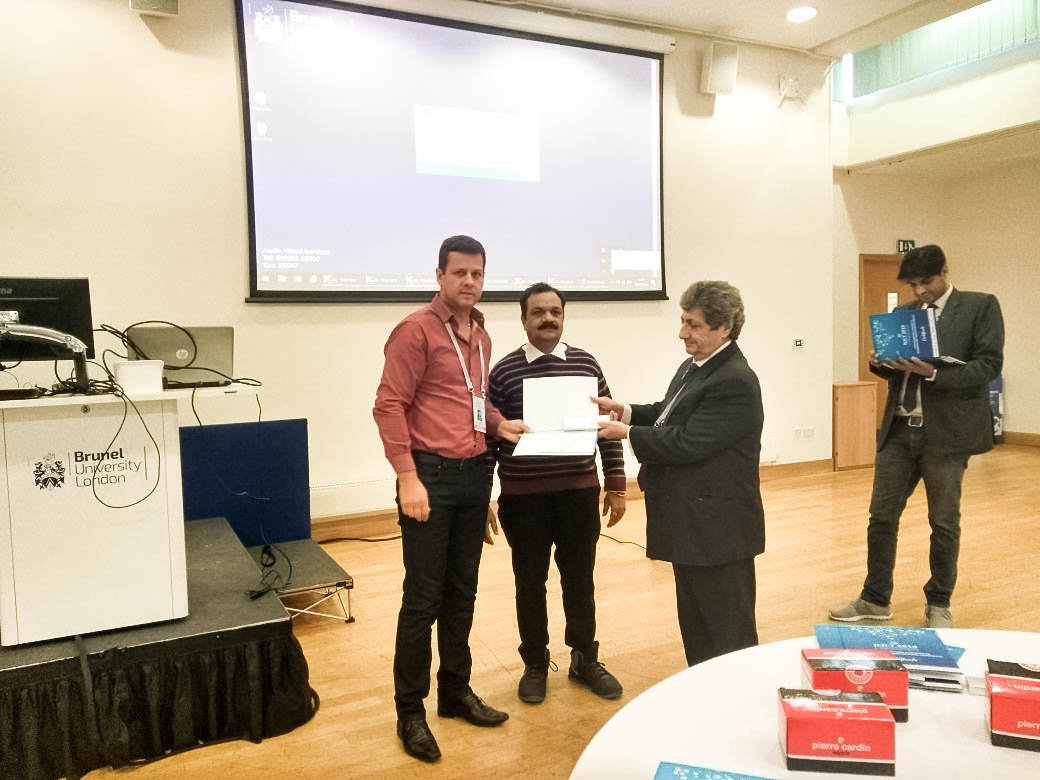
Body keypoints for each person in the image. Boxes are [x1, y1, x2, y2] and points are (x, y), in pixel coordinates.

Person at [373, 235, 527, 763]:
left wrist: (500, 425)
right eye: (459, 272)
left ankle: (455, 692)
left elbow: (474, 402)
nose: (469, 281)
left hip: (474, 475)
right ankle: (409, 712)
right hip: (430, 477)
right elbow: (389, 406)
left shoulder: (481, 335)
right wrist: (407, 478)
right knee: (423, 599)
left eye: (477, 273)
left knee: (463, 592)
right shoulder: (415, 330)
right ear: (439, 275)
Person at [829, 244, 1004, 629]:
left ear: (944, 271)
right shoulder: (904, 314)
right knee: (881, 517)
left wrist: (935, 372)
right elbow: (898, 373)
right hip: (898, 431)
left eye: (926, 282)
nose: (920, 291)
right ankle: (875, 599)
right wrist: (881, 364)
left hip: (946, 435)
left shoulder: (979, 306)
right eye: (913, 285)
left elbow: (988, 366)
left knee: (943, 522)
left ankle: (939, 603)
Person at [596, 281, 764, 667]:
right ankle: (703, 686)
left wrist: (628, 434)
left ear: (724, 327)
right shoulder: (697, 366)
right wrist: (625, 411)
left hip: (718, 530)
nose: (682, 333)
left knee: (729, 631)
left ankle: (736, 692)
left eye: (694, 325)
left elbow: (689, 442)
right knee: (697, 622)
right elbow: (668, 413)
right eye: (684, 321)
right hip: (693, 524)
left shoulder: (735, 380)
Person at [487, 282, 626, 705]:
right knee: (530, 584)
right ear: (523, 318)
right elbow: (487, 439)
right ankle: (534, 663)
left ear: (563, 316)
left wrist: (616, 483)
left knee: (580, 582)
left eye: (555, 312)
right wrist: (482, 496)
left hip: (578, 496)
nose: (548, 319)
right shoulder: (504, 372)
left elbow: (608, 423)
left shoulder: (586, 364)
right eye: (538, 312)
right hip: (523, 500)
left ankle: (585, 659)